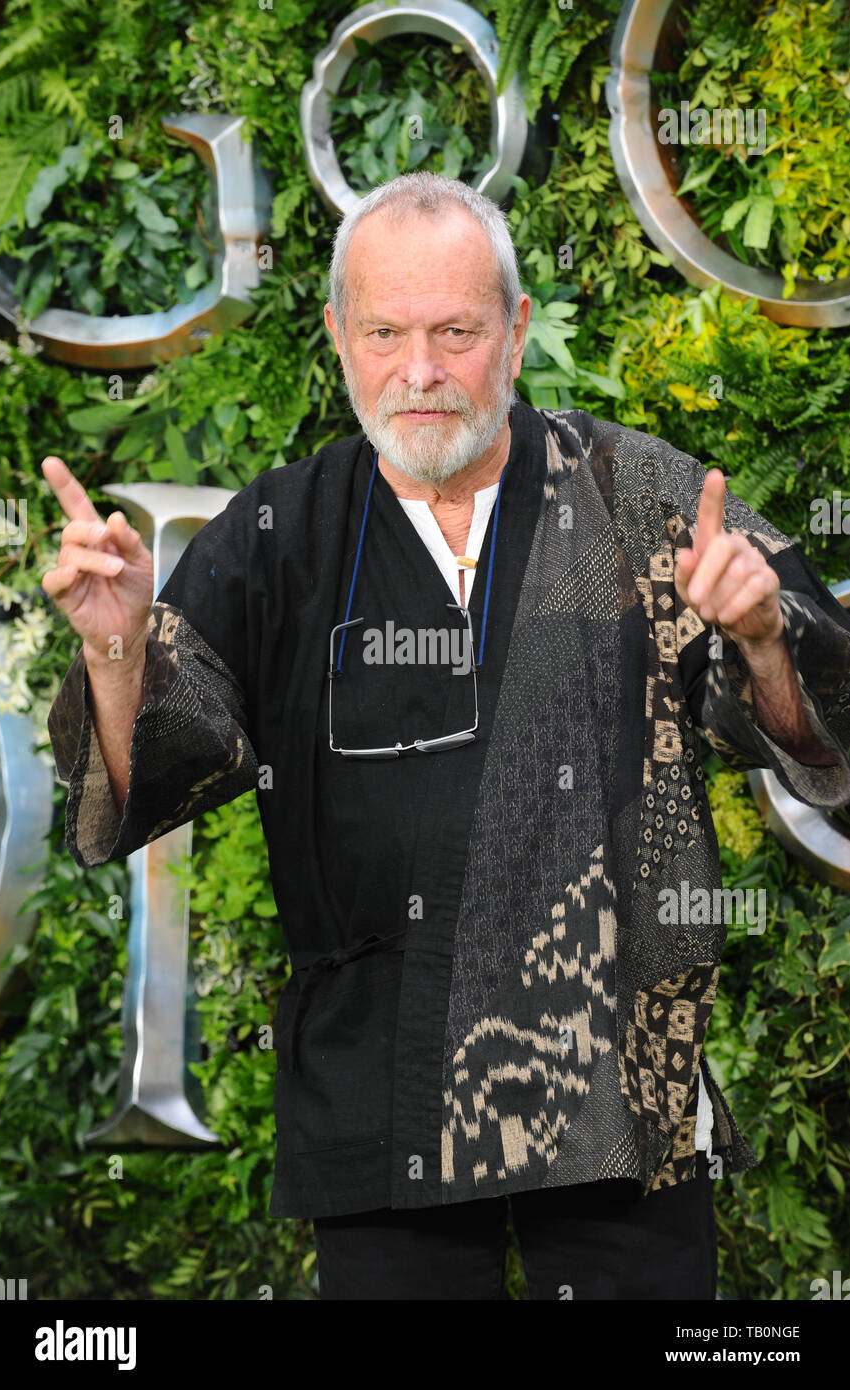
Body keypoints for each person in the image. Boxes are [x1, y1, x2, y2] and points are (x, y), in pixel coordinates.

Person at [43, 172, 850, 1301]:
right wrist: (117, 646)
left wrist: (762, 635)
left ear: (515, 333)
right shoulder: (279, 530)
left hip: (623, 1090)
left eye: (456, 332)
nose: (418, 371)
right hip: (379, 1091)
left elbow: (825, 739)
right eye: (384, 332)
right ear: (337, 335)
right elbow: (154, 774)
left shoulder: (637, 493)